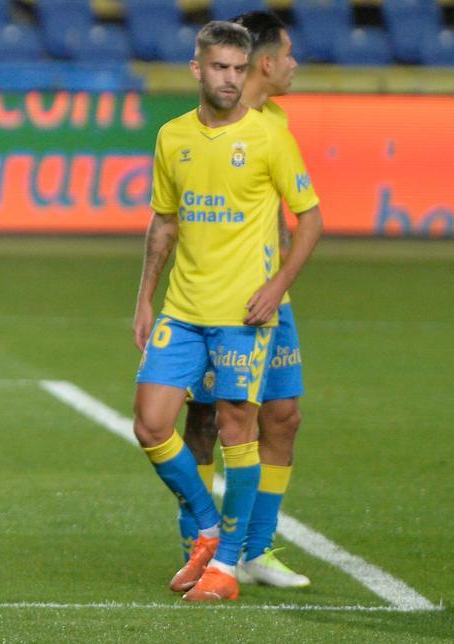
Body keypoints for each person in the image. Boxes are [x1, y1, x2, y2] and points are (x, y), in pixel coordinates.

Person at [132, 21, 323, 602]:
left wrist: (277, 286)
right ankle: (208, 529)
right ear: (198, 70)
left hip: (244, 314)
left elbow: (309, 218)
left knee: (245, 426)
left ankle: (229, 565)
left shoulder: (268, 136)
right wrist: (143, 296)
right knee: (151, 423)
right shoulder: (173, 137)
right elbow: (165, 221)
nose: (230, 79)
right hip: (182, 309)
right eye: (220, 68)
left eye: (239, 69)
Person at [177, 11, 313, 590]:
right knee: (208, 420)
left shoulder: (275, 123)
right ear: (265, 60)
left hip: (271, 300)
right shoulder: (207, 125)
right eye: (286, 54)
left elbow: (290, 213)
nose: (293, 65)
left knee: (284, 415)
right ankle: (200, 545)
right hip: (218, 304)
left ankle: (257, 550)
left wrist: (278, 285)